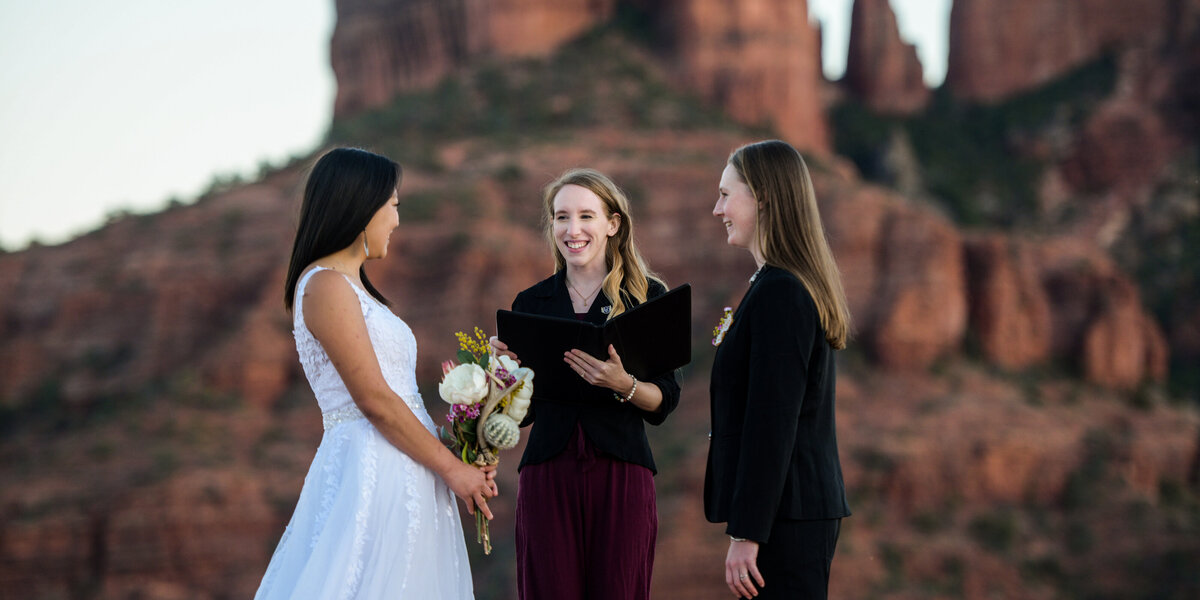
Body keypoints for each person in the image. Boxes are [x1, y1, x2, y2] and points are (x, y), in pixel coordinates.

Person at [255, 147, 497, 600]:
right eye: (394, 206)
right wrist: (451, 469)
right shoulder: (325, 285)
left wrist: (467, 445)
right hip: (372, 470)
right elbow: (374, 399)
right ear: (361, 207)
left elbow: (401, 400)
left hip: (410, 467)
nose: (397, 220)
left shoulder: (351, 288)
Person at [490, 168, 681, 600]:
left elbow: (665, 400)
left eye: (586, 216)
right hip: (547, 475)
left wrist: (624, 383)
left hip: (623, 474)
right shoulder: (530, 303)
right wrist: (501, 374)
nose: (572, 230)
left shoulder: (646, 297)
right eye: (561, 217)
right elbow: (522, 415)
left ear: (613, 224)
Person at [704, 140, 852, 599]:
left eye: (727, 195)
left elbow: (773, 421)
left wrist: (748, 533)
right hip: (791, 511)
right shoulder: (774, 283)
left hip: (787, 517)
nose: (717, 209)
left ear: (763, 197)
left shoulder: (781, 292)